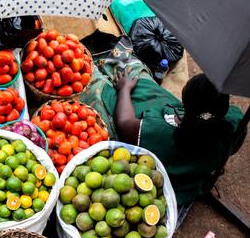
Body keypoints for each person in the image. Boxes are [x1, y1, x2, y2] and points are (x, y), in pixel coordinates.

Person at [79, 39, 246, 207]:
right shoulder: (235, 122)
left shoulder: (161, 134)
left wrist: (125, 90)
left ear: (185, 102)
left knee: (93, 84)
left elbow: (124, 123)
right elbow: (232, 146)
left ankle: (102, 78)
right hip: (184, 143)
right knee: (133, 71)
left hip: (133, 122)